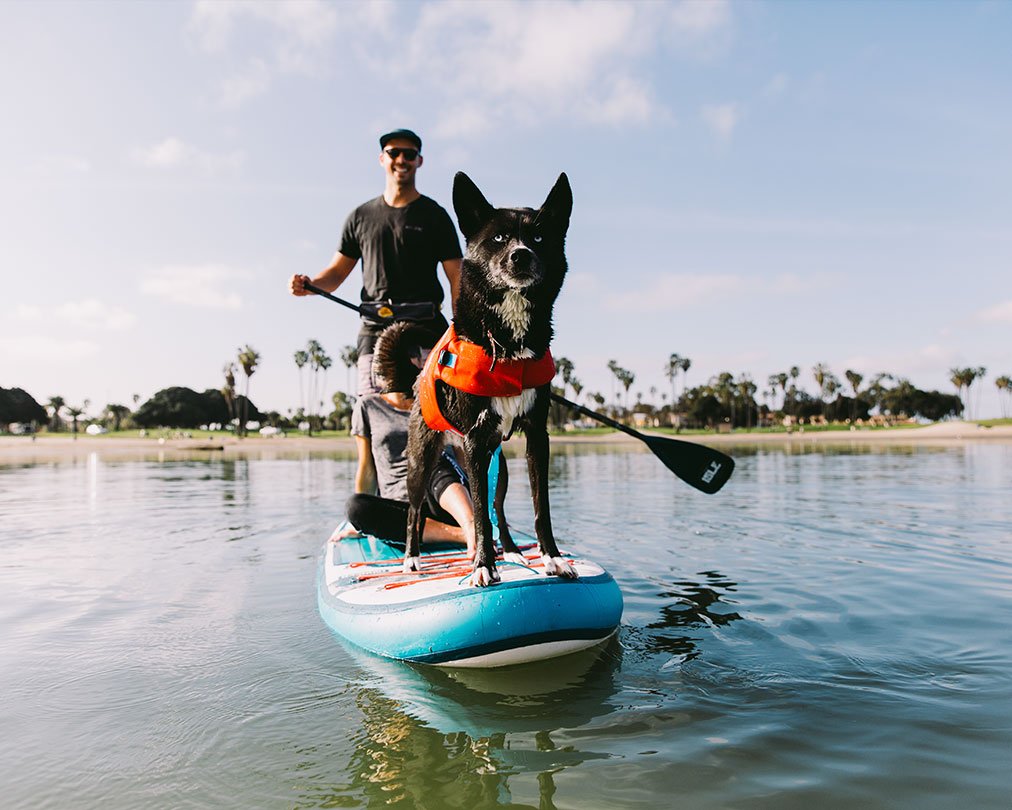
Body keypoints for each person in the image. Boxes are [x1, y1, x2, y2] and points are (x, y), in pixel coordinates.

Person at [289, 128, 462, 395]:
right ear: (382, 158)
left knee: (434, 419)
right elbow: (336, 273)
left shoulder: (435, 216)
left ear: (419, 161)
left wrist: (463, 328)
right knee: (371, 414)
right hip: (375, 331)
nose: (401, 159)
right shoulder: (360, 217)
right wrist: (311, 284)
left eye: (409, 154)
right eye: (394, 153)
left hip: (427, 330)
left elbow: (457, 275)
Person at [332, 323, 476, 554]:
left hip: (445, 501)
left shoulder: (437, 401)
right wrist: (357, 524)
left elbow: (462, 459)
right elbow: (367, 469)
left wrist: (483, 508)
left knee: (427, 453)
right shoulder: (368, 406)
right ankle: (463, 534)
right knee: (356, 506)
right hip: (402, 513)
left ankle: (471, 523)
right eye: (422, 358)